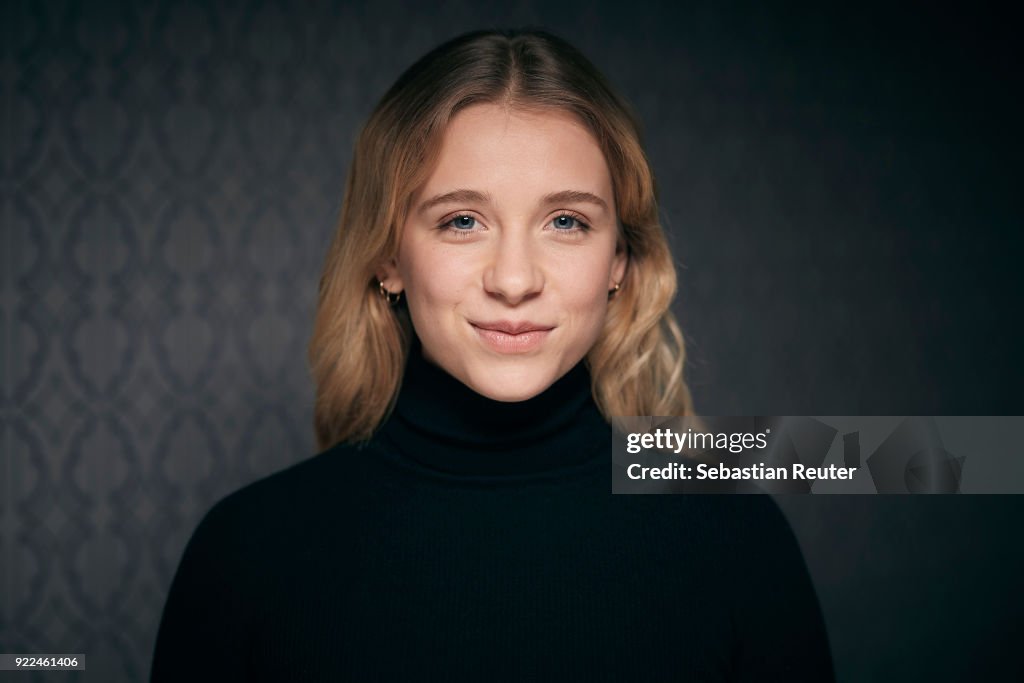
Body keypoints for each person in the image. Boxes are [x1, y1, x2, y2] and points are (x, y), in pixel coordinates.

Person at [150, 28, 834, 681]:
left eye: (566, 221)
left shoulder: (739, 541)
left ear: (619, 258)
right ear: (388, 255)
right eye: (462, 221)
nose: (514, 279)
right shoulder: (244, 556)